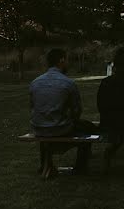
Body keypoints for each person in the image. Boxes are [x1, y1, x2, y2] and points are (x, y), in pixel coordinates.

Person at [30, 48, 96, 177]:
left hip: (38, 127)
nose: (68, 63)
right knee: (88, 128)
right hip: (59, 128)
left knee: (46, 128)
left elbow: (32, 107)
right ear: (61, 60)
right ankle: (80, 167)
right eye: (67, 60)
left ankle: (45, 164)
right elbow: (77, 110)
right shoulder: (68, 83)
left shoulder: (35, 82)